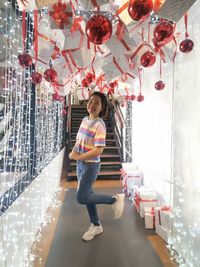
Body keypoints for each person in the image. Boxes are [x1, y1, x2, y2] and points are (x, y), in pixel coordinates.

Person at [69, 91, 125, 241]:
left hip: (90, 166)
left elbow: (98, 150)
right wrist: (73, 153)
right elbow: (78, 140)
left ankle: (114, 199)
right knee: (89, 196)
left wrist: (79, 157)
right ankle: (96, 225)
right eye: (91, 101)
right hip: (81, 164)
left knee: (82, 197)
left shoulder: (100, 125)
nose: (92, 105)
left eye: (97, 103)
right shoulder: (84, 119)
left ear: (102, 108)